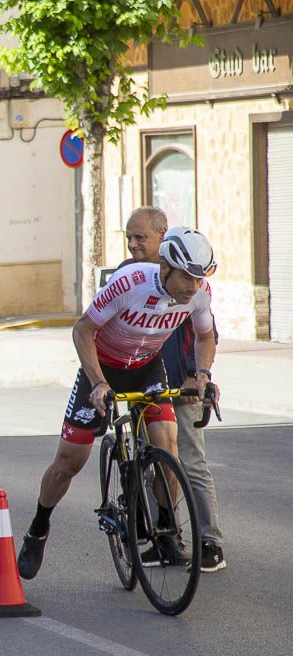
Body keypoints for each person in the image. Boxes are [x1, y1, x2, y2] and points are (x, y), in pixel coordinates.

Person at [17, 226, 218, 579]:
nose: (192, 287)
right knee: (69, 461)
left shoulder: (199, 294)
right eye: (186, 277)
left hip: (146, 368)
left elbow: (204, 336)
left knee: (168, 448)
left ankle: (167, 529)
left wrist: (202, 375)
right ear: (166, 267)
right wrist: (97, 383)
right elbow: (82, 330)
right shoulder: (130, 283)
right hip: (103, 367)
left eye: (199, 278)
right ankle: (38, 527)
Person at [125, 207, 226, 572]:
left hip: (180, 386)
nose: (135, 244)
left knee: (190, 462)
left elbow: (205, 335)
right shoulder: (134, 276)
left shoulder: (189, 279)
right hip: (140, 381)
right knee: (150, 462)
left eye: (142, 238)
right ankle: (165, 537)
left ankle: (210, 540)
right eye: (130, 238)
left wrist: (196, 376)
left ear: (163, 237)